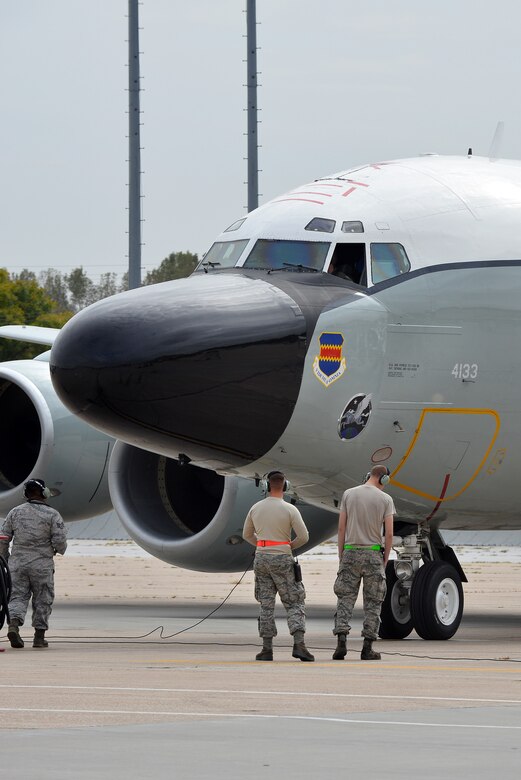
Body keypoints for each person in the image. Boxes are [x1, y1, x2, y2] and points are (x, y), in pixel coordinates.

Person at [242, 470, 314, 662]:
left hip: (262, 558)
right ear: (285, 486)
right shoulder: (290, 509)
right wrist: (288, 546)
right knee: (294, 601)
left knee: (266, 604)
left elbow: (247, 535)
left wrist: (262, 543)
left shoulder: (255, 508)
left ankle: (267, 649)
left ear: (266, 487)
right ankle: (299, 645)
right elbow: (304, 536)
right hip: (282, 557)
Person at [332, 465, 395, 661]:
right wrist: (384, 559)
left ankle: (341, 642)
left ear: (369, 475)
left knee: (345, 600)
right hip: (373, 554)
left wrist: (342, 555)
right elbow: (389, 533)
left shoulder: (349, 495)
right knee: (373, 603)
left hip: (350, 552)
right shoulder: (386, 499)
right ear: (383, 479)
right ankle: (367, 648)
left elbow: (341, 528)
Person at [0, 478, 67, 649]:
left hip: (17, 564)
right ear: (44, 493)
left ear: (25, 494)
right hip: (41, 565)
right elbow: (60, 542)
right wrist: (57, 550)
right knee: (43, 599)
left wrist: (6, 559)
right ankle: (39, 637)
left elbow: (4, 538)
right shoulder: (53, 515)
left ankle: (14, 626)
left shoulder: (15, 512)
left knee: (16, 596)